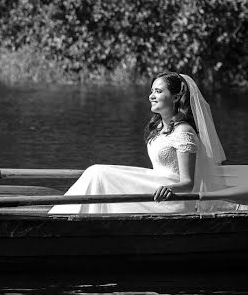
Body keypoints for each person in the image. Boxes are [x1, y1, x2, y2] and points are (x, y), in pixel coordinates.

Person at [49, 72, 229, 214]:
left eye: (159, 91)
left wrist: (168, 188)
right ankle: (66, 215)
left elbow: (188, 183)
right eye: (152, 91)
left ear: (175, 97)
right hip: (153, 184)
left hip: (170, 198)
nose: (152, 96)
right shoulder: (159, 127)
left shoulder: (183, 131)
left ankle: (66, 216)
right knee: (96, 172)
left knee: (98, 172)